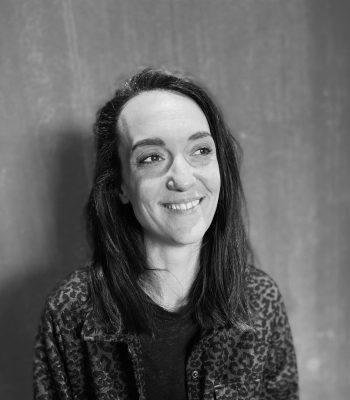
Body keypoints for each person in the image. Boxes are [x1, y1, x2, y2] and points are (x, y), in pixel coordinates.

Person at [33, 67, 298, 400]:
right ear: (120, 186)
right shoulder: (69, 313)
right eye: (152, 157)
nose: (183, 179)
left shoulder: (261, 301)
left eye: (201, 151)